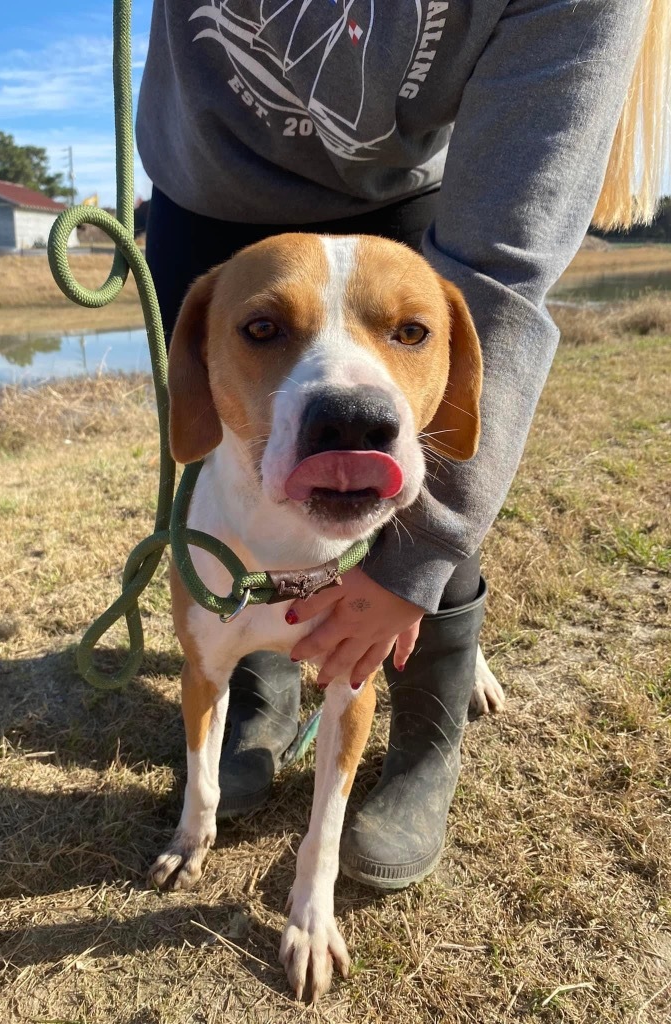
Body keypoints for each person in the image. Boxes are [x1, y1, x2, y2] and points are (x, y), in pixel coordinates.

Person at [136, 0, 669, 889]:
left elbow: (499, 269)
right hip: (207, 185)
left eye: (413, 339)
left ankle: (427, 731)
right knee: (245, 498)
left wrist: (416, 561)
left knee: (421, 506)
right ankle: (258, 689)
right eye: (265, 333)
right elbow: (205, 421)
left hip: (410, 193)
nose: (346, 406)